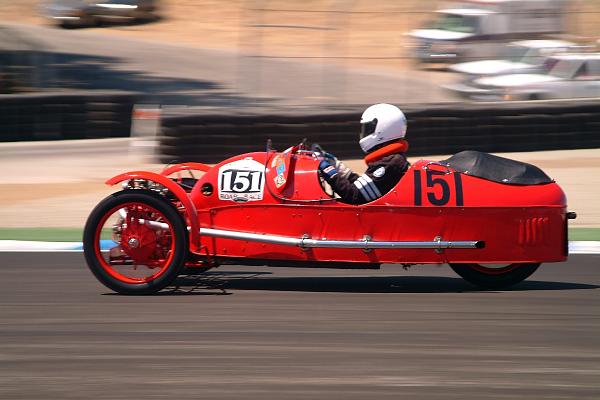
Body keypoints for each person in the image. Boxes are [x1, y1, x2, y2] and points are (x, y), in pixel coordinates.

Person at [318, 103, 410, 205]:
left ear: (381, 129)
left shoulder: (391, 163)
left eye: (368, 128)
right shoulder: (393, 160)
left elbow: (354, 195)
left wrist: (329, 171)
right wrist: (340, 169)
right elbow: (363, 188)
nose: (364, 132)